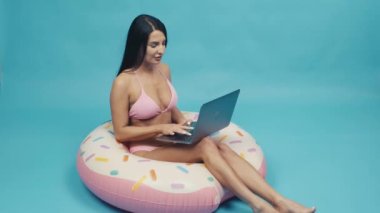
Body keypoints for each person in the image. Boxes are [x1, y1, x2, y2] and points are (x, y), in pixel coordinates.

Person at [110, 14, 316, 213]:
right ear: (138, 45)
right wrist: (162, 128)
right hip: (148, 148)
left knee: (223, 148)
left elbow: (168, 107)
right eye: (153, 45)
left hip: (171, 138)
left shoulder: (164, 69)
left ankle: (280, 201)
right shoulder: (123, 83)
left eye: (164, 43)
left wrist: (186, 126)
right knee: (207, 146)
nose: (161, 50)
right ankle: (258, 205)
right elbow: (121, 132)